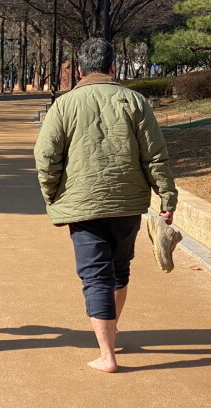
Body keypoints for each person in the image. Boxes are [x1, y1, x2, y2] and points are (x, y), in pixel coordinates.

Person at [34, 38, 178, 373]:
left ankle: (107, 354)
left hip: (82, 203)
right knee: (120, 269)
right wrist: (166, 196)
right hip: (128, 202)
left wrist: (52, 193)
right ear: (113, 67)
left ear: (81, 69)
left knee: (95, 276)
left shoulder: (63, 105)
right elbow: (155, 155)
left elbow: (46, 157)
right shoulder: (135, 101)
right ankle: (110, 334)